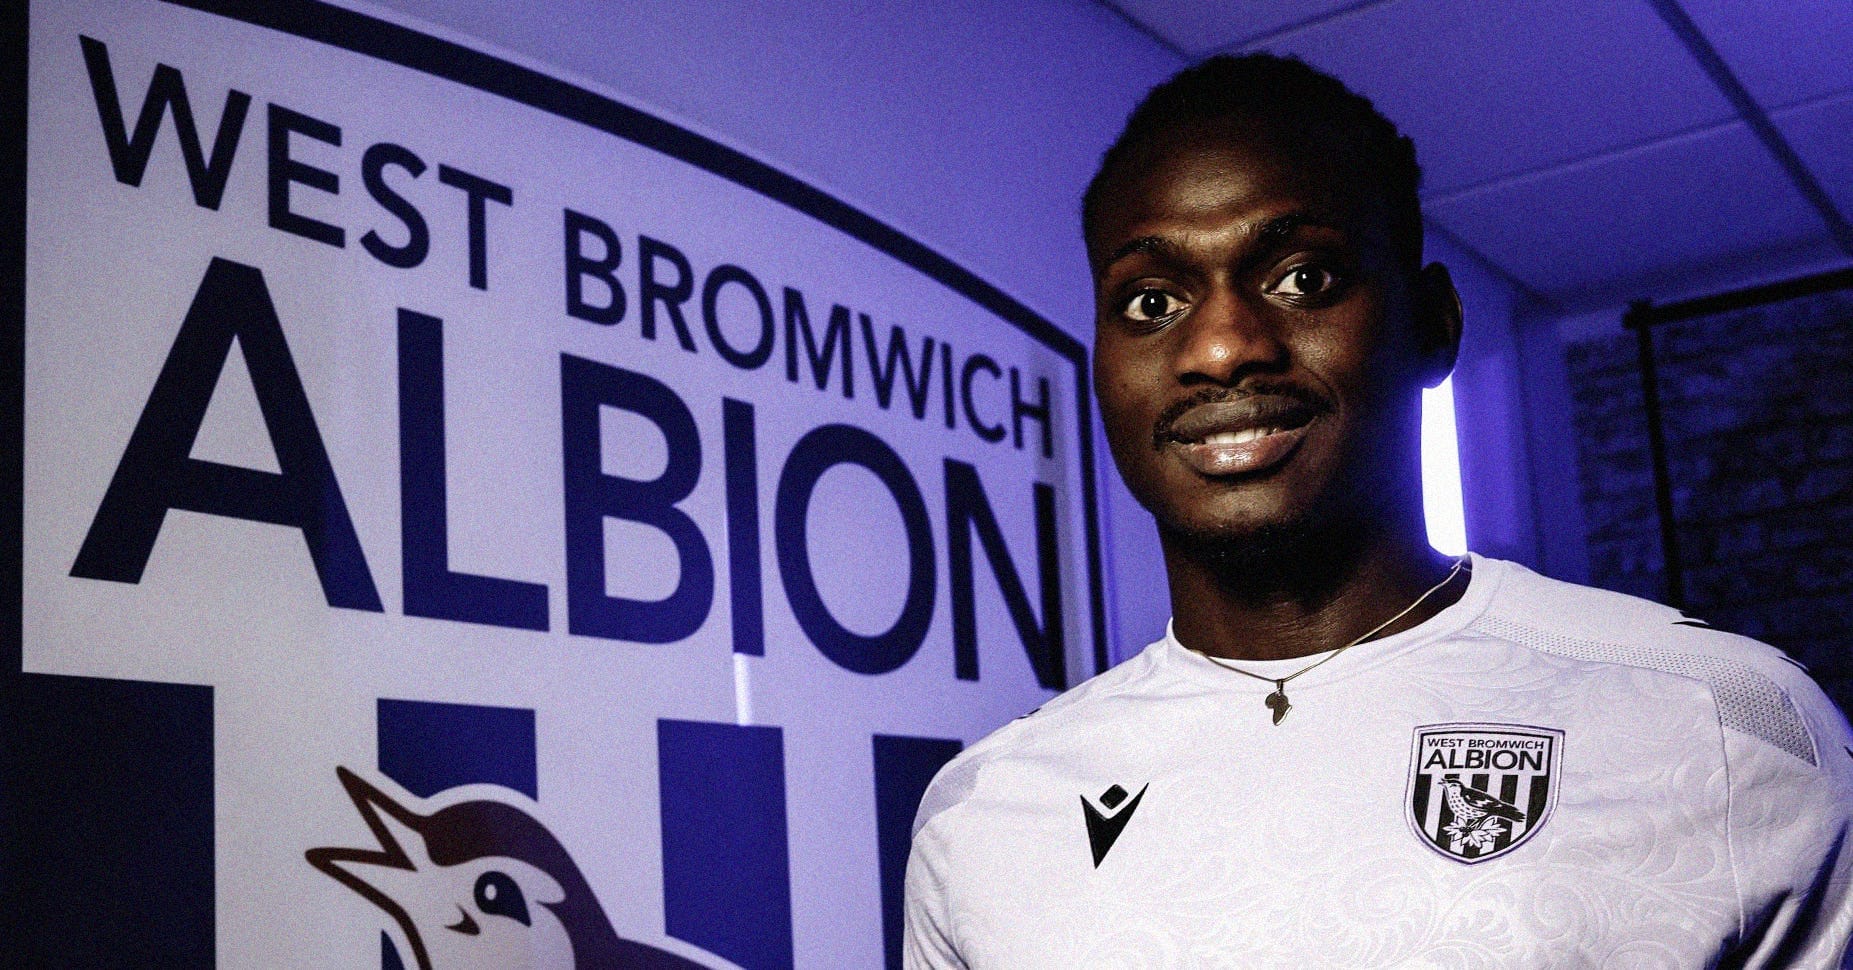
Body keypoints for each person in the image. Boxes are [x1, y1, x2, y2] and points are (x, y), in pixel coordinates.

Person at [902, 53, 1853, 968]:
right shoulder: (983, 817)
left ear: (1432, 325)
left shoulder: (1727, 727)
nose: (1223, 347)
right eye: (1152, 302)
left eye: (1302, 278)